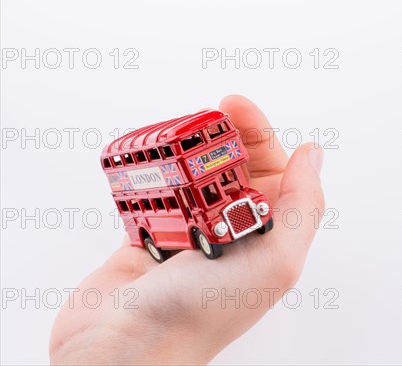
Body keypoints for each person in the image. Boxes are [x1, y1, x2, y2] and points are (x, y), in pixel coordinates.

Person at [49, 95, 325, 365]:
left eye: (230, 179)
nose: (229, 189)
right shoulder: (182, 195)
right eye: (206, 193)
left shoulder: (234, 183)